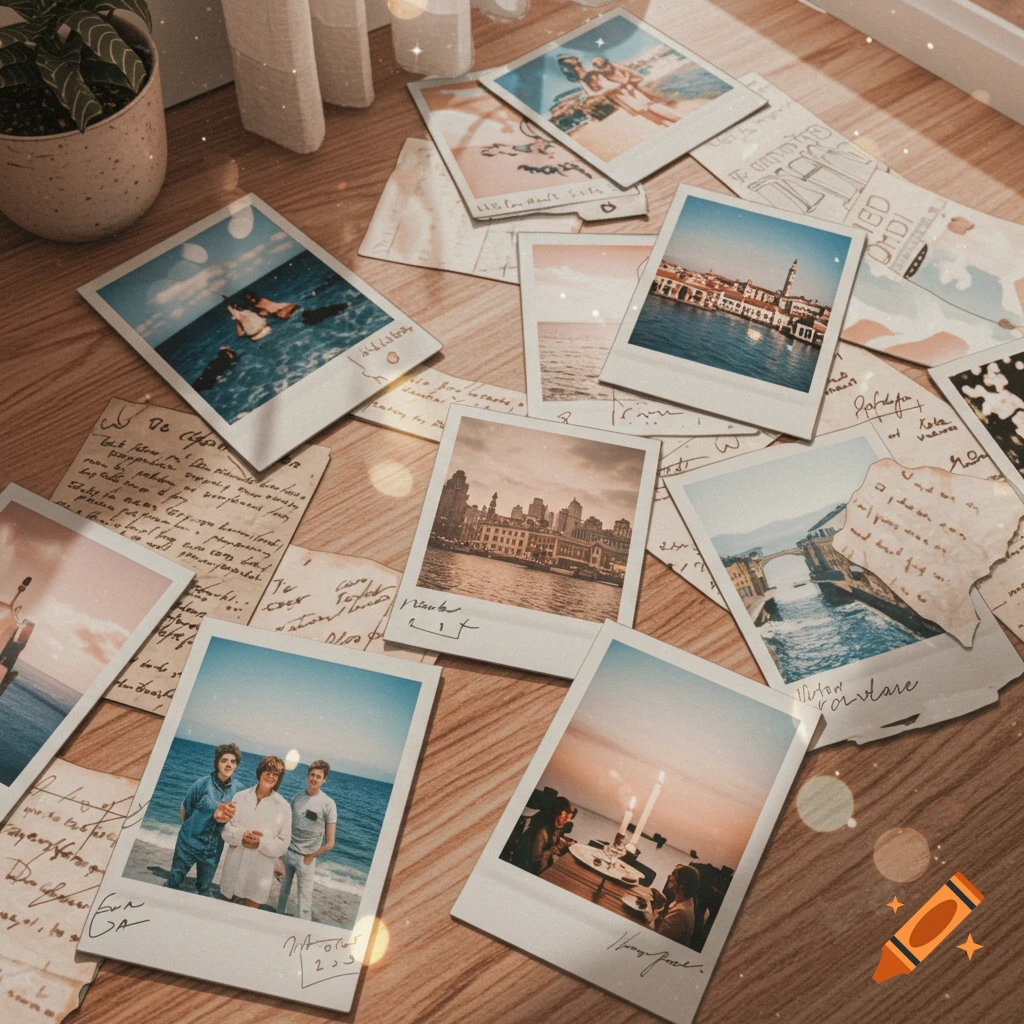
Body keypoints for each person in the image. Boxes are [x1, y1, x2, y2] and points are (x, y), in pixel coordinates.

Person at [165, 743, 243, 897]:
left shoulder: (239, 790)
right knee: (173, 883)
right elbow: (185, 808)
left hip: (212, 851)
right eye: (224, 760)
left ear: (236, 765)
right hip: (188, 844)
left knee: (203, 890)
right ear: (217, 763)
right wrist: (192, 830)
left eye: (233, 761)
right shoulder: (202, 783)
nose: (228, 764)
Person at [220, 755, 292, 908]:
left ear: (279, 778)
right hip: (235, 865)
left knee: (248, 915)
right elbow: (226, 831)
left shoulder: (283, 806)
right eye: (268, 771)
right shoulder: (240, 796)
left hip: (259, 871)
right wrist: (241, 836)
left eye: (275, 774)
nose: (271, 776)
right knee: (225, 909)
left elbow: (283, 844)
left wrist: (260, 842)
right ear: (260, 772)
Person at [277, 760, 337, 920]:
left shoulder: (328, 804)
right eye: (312, 775)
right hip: (288, 853)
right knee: (282, 893)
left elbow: (330, 843)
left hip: (307, 860)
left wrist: (311, 856)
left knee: (304, 902)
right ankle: (277, 920)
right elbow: (286, 825)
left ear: (324, 780)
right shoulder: (297, 798)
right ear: (308, 776)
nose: (314, 779)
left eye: (319, 776)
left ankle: (303, 933)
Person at [590, 56, 681, 127]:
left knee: (652, 107)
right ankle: (675, 117)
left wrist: (626, 80)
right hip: (632, 89)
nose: (600, 68)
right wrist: (626, 79)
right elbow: (626, 75)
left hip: (635, 87)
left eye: (601, 65)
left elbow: (628, 75)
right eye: (598, 66)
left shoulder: (610, 69)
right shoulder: (605, 72)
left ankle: (677, 118)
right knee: (652, 108)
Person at [511, 796, 575, 875]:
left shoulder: (551, 828)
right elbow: (535, 865)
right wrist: (550, 851)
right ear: (559, 814)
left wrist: (569, 845)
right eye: (566, 816)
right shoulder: (541, 832)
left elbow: (557, 841)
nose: (568, 819)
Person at [651, 864, 700, 946]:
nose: (669, 876)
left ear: (682, 884)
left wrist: (654, 910)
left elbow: (657, 937)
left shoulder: (681, 912)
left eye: (674, 874)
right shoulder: (685, 900)